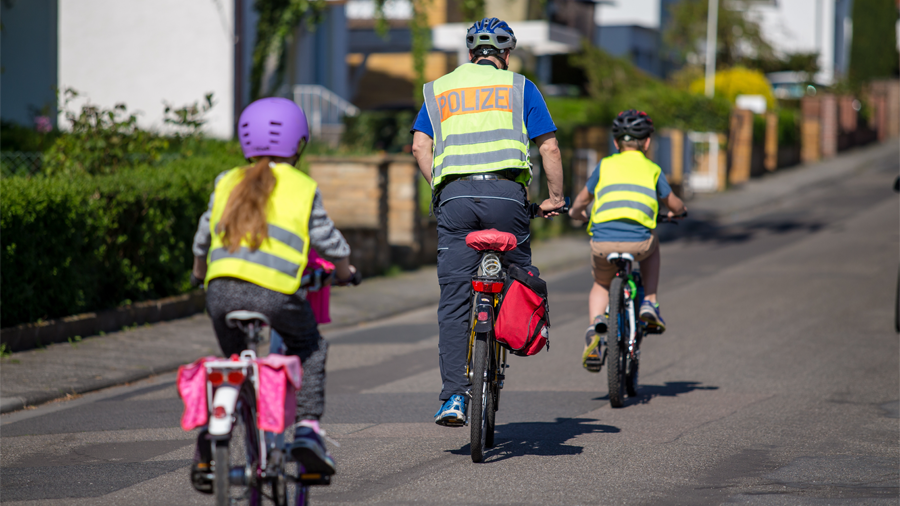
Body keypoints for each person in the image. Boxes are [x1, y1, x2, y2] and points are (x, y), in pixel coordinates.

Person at [189, 97, 357, 490]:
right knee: (310, 348)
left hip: (221, 292)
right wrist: (347, 272)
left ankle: (210, 441)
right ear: (299, 142)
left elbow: (202, 239)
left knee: (233, 360)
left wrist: (200, 276)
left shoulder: (226, 180)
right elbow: (328, 242)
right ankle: (307, 431)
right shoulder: (301, 186)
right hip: (276, 294)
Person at [410, 17, 566, 426]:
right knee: (518, 276)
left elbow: (419, 145)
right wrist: (555, 199)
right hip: (507, 198)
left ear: (469, 54)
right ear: (506, 54)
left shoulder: (439, 89)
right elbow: (548, 147)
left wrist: (441, 186)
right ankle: (511, 333)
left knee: (454, 300)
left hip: (455, 199)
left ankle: (453, 398)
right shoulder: (520, 87)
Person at [568, 110, 686, 373]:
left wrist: (576, 214)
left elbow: (581, 201)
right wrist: (679, 211)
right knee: (652, 244)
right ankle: (649, 302)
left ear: (615, 142)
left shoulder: (605, 165)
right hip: (638, 242)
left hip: (603, 241)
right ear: (647, 143)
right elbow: (672, 202)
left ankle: (595, 327)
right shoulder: (653, 169)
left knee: (601, 282)